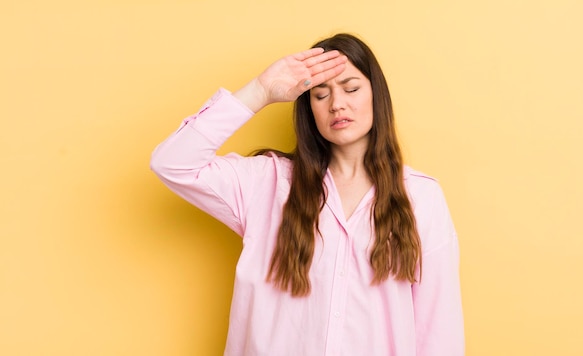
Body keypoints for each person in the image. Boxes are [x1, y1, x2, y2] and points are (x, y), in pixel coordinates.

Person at [151, 33, 464, 356]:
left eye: (351, 88)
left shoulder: (421, 197)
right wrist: (260, 91)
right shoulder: (266, 183)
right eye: (320, 94)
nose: (336, 103)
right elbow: (172, 163)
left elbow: (439, 331)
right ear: (309, 108)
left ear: (376, 95)